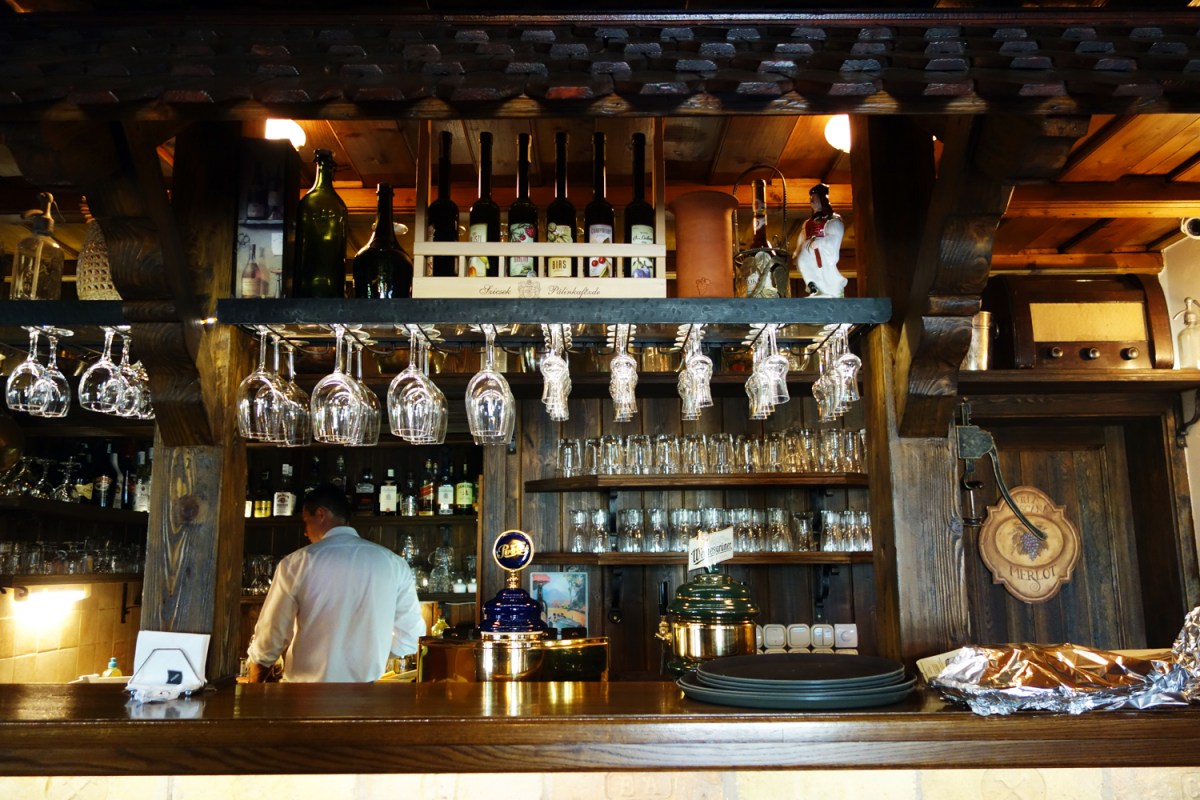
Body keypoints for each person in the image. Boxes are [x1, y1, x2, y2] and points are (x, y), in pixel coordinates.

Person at [246, 483, 424, 682]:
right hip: (366, 693)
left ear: (321, 514)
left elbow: (271, 637)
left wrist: (254, 687)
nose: (305, 532)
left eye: (306, 522)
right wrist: (374, 656)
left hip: (304, 694)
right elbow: (412, 636)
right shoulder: (394, 564)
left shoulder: (296, 563)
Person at [793, 182, 848, 298]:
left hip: (822, 249)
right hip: (807, 248)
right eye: (811, 199)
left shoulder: (832, 219)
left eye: (815, 198)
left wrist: (821, 242)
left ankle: (826, 289)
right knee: (802, 262)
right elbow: (802, 237)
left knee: (822, 270)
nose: (812, 201)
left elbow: (835, 235)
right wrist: (797, 251)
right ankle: (813, 286)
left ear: (822, 199)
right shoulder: (807, 222)